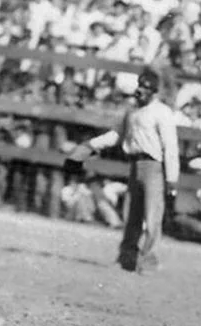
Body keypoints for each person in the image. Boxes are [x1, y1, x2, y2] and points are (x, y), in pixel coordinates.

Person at [66, 67, 180, 273]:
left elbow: (170, 146)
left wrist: (172, 178)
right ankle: (127, 257)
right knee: (132, 214)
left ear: (154, 91)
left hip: (154, 166)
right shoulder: (133, 112)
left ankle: (149, 261)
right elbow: (118, 136)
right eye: (140, 86)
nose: (141, 91)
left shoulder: (162, 112)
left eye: (146, 88)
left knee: (152, 216)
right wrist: (90, 145)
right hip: (136, 164)